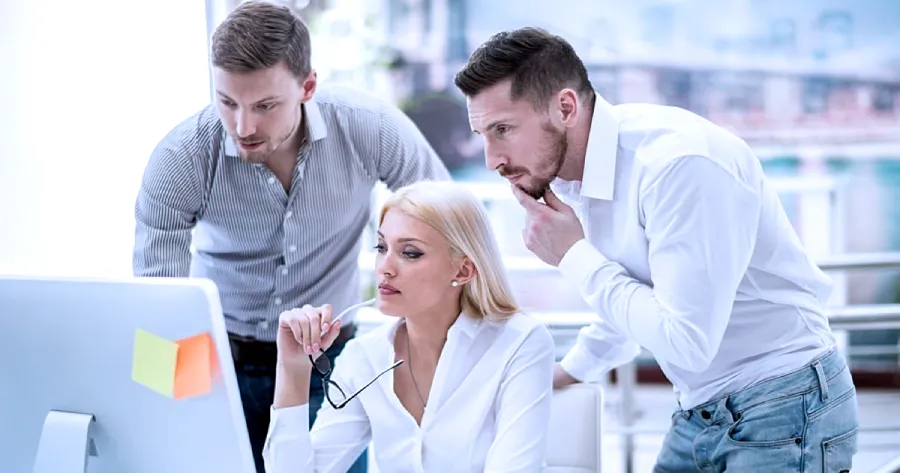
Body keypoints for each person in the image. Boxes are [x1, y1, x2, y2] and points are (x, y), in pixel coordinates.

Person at [453, 27, 859, 473]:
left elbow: (686, 343)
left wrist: (574, 255)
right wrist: (568, 372)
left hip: (785, 403)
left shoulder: (678, 166)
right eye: (483, 135)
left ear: (565, 107)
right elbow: (635, 295)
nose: (492, 158)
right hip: (699, 410)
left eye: (503, 130)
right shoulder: (577, 175)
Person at [131, 2, 450, 471]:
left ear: (307, 87)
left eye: (265, 106)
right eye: (228, 102)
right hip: (213, 360)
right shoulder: (181, 158)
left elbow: (448, 223)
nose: (243, 127)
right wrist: (162, 416)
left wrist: (429, 347)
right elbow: (159, 305)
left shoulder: (368, 126)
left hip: (331, 358)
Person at [262, 180, 556, 473]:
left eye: (410, 253)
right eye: (381, 247)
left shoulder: (520, 343)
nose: (385, 268)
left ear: (463, 270)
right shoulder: (364, 357)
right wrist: (294, 369)